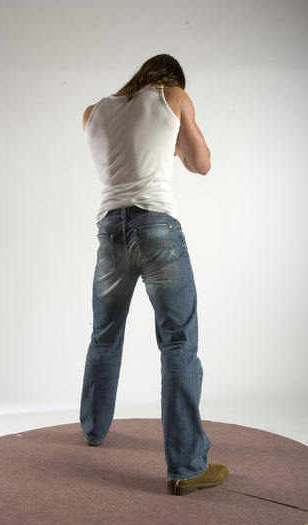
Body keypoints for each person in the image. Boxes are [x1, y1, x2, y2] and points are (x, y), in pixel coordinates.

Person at [80, 54, 228, 495]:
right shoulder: (174, 96)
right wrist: (178, 140)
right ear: (171, 80)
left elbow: (126, 154)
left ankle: (93, 429)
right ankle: (186, 468)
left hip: (110, 232)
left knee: (104, 334)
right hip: (157, 228)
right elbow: (200, 163)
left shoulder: (93, 112)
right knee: (179, 342)